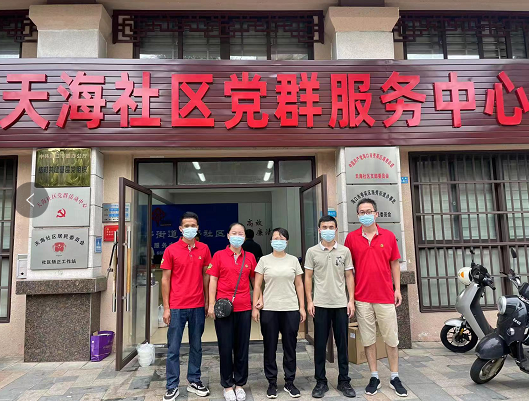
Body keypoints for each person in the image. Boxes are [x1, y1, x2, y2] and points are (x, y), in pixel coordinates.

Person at [344, 198, 407, 397]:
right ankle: (374, 376)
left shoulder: (388, 236)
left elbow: (395, 263)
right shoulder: (351, 238)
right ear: (358, 215)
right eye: (362, 212)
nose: (365, 215)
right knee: (368, 339)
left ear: (376, 214)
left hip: (385, 296)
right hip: (362, 297)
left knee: (391, 339)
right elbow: (348, 270)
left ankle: (395, 376)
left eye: (369, 211)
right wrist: (351, 298)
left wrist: (397, 289)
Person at [161, 212, 212, 401]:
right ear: (181, 229)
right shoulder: (171, 250)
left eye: (193, 225)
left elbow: (206, 276)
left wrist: (207, 301)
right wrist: (166, 307)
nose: (190, 228)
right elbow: (165, 280)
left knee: (196, 346)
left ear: (198, 228)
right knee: (173, 348)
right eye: (187, 226)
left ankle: (194, 380)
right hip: (176, 306)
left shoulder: (204, 249)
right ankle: (172, 385)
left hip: (197, 304)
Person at [304, 215, 356, 399]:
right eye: (324, 227)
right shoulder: (312, 252)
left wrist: (351, 300)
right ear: (319, 230)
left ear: (336, 229)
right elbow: (308, 276)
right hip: (320, 304)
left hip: (341, 304)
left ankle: (344, 381)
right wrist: (309, 301)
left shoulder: (344, 251)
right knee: (320, 344)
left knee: (342, 344)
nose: (327, 230)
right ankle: (321, 381)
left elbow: (349, 276)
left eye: (331, 227)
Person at [252, 227, 306, 399]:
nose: (279, 241)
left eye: (282, 238)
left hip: (290, 308)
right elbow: (257, 284)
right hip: (269, 309)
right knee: (270, 347)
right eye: (276, 238)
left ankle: (290, 382)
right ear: (271, 241)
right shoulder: (264, 260)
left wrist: (302, 307)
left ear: (287, 242)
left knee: (290, 347)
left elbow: (299, 284)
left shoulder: (293, 261)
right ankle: (272, 383)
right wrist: (255, 306)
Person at [207, 223, 258, 401]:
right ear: (228, 236)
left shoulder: (250, 257)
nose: (237, 236)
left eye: (240, 233)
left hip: (244, 307)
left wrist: (256, 304)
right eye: (234, 233)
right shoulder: (219, 255)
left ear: (245, 237)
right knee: (225, 347)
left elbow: (255, 282)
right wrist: (211, 304)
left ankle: (240, 384)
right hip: (223, 309)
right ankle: (228, 385)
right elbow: (213, 280)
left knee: (242, 348)